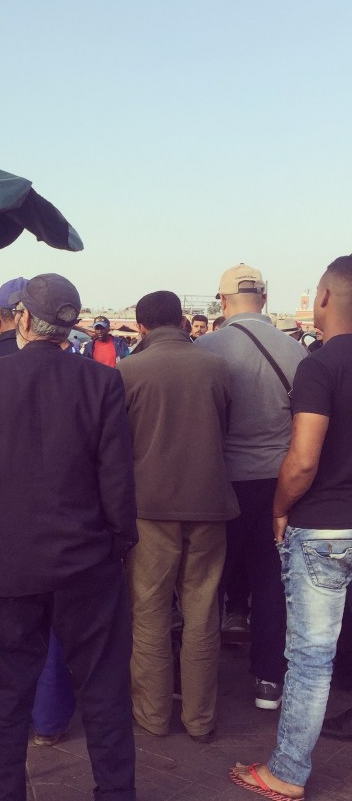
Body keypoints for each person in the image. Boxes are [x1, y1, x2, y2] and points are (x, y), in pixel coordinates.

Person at [0, 273, 138, 801]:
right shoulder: (101, 382)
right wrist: (119, 543)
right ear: (71, 325)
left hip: (10, 560)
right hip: (87, 561)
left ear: (24, 319)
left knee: (5, 694)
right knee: (103, 690)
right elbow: (117, 482)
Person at [230, 254, 352, 799]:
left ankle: (287, 771)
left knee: (310, 657)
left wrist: (279, 506)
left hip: (324, 526)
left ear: (324, 298)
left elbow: (302, 459)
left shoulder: (321, 365)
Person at [0, 277, 78, 747]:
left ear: (5, 314)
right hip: (63, 521)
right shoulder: (82, 372)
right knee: (52, 618)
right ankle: (48, 719)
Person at [118, 291, 238, 743]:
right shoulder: (216, 367)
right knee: (202, 612)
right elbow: (225, 425)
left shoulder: (128, 370)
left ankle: (151, 715)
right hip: (210, 503)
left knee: (148, 611)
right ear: (185, 321)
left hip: (150, 508)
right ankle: (199, 719)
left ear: (141, 325)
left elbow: (119, 443)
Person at [196, 263, 307, 710]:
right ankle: (268, 679)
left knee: (208, 582)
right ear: (264, 297)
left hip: (221, 481)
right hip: (277, 481)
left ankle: (201, 677)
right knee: (270, 582)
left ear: (222, 301)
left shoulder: (206, 348)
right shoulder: (295, 352)